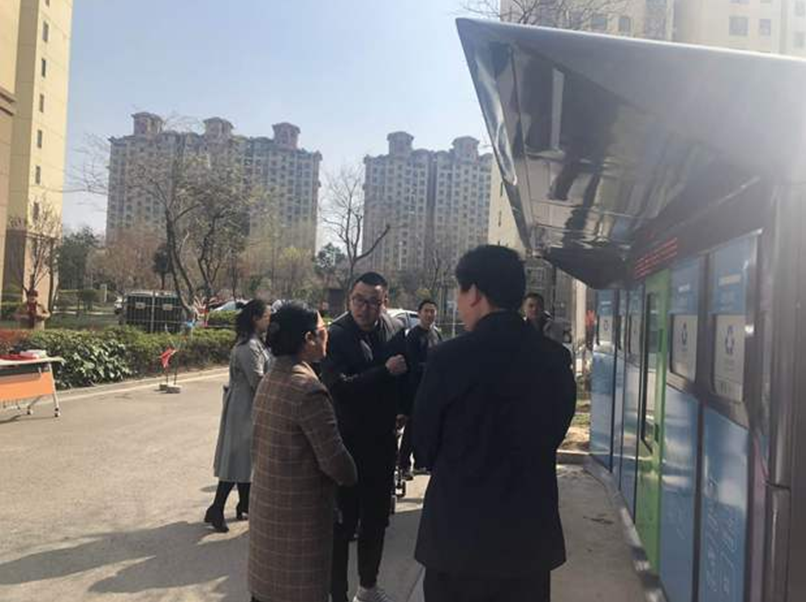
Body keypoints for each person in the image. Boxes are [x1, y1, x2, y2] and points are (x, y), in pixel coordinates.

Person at [413, 245, 577, 602]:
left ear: (474, 293)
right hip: (527, 542)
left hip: (457, 541)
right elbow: (555, 430)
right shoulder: (554, 359)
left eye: (459, 292)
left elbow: (422, 445)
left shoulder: (447, 359)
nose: (458, 303)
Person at [249, 301, 357, 602]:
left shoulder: (270, 379)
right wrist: (353, 474)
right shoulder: (308, 389)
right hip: (300, 523)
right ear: (309, 339)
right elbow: (336, 462)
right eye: (323, 329)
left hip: (269, 513)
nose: (327, 334)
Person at [320, 272, 408, 602]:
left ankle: (368, 588)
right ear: (349, 299)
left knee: (376, 521)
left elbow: (405, 375)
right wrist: (383, 372)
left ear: (385, 302)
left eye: (373, 301)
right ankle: (337, 595)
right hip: (346, 443)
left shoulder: (395, 330)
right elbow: (338, 388)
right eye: (359, 300)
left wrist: (404, 408)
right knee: (342, 525)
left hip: (382, 442)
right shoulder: (337, 334)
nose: (365, 308)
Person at [205, 299, 272, 533]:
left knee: (246, 458)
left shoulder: (256, 343)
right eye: (267, 316)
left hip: (247, 404)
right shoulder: (248, 347)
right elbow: (258, 381)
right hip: (243, 407)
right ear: (255, 318)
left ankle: (244, 504)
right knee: (237, 458)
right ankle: (217, 508)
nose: (269, 320)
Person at [398, 299, 442, 480]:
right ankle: (403, 464)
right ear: (419, 313)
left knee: (427, 426)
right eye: (426, 311)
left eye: (432, 311)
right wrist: (432, 368)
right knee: (411, 428)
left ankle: (421, 462)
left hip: (432, 388)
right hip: (414, 388)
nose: (430, 314)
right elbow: (412, 364)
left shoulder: (436, 334)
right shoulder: (413, 336)